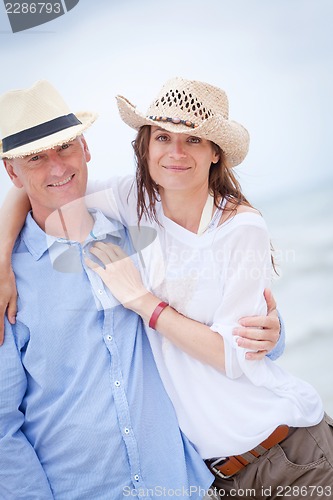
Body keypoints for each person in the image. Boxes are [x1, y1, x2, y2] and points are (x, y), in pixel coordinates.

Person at [81, 77, 332, 498]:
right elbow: (47, 190)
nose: (176, 152)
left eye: (193, 139)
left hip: (290, 456)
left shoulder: (240, 227)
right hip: (219, 479)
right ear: (145, 145)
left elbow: (232, 357)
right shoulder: (132, 200)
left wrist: (144, 303)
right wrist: (1, 266)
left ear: (215, 153)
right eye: (163, 137)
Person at [0, 80, 218, 499]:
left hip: (177, 487)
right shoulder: (8, 282)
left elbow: (216, 311)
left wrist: (270, 330)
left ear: (85, 148)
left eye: (65, 147)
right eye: (35, 158)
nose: (57, 167)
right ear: (13, 172)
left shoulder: (144, 231)